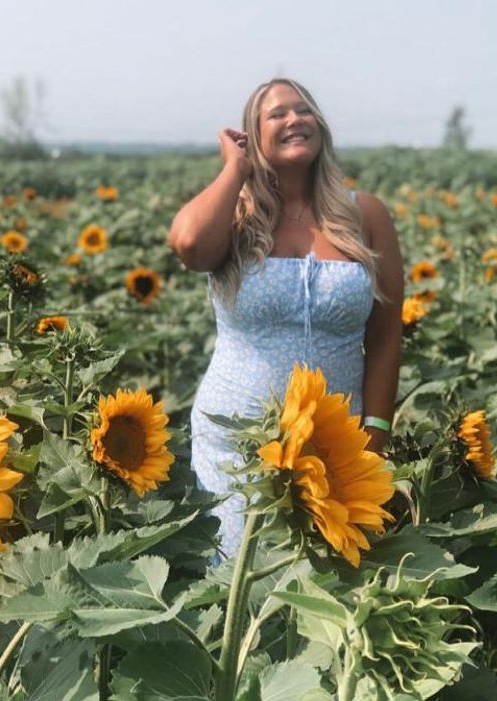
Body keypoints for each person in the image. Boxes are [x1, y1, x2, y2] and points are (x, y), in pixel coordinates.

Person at [167, 78, 404, 560]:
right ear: (254, 136)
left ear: (321, 125)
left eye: (303, 110)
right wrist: (235, 169)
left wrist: (375, 433)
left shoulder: (365, 215)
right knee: (236, 582)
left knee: (322, 587)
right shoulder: (235, 214)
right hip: (238, 447)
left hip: (333, 452)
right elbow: (189, 245)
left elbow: (385, 338)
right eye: (277, 114)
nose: (294, 120)